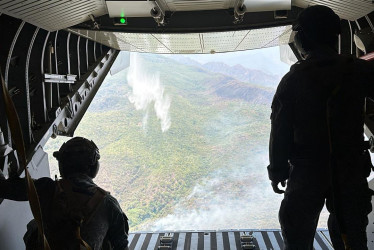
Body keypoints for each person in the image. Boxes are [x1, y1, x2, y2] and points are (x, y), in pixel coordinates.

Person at [268, 5, 374, 250]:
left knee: (296, 231)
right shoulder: (357, 70)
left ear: (304, 38)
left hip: (307, 170)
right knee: (352, 236)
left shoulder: (293, 80)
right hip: (349, 167)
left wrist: (277, 171)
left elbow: (280, 131)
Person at [0, 137, 129, 250]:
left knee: (34, 226)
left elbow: (4, 188)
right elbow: (121, 245)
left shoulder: (46, 188)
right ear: (94, 167)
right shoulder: (109, 203)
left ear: (63, 166)